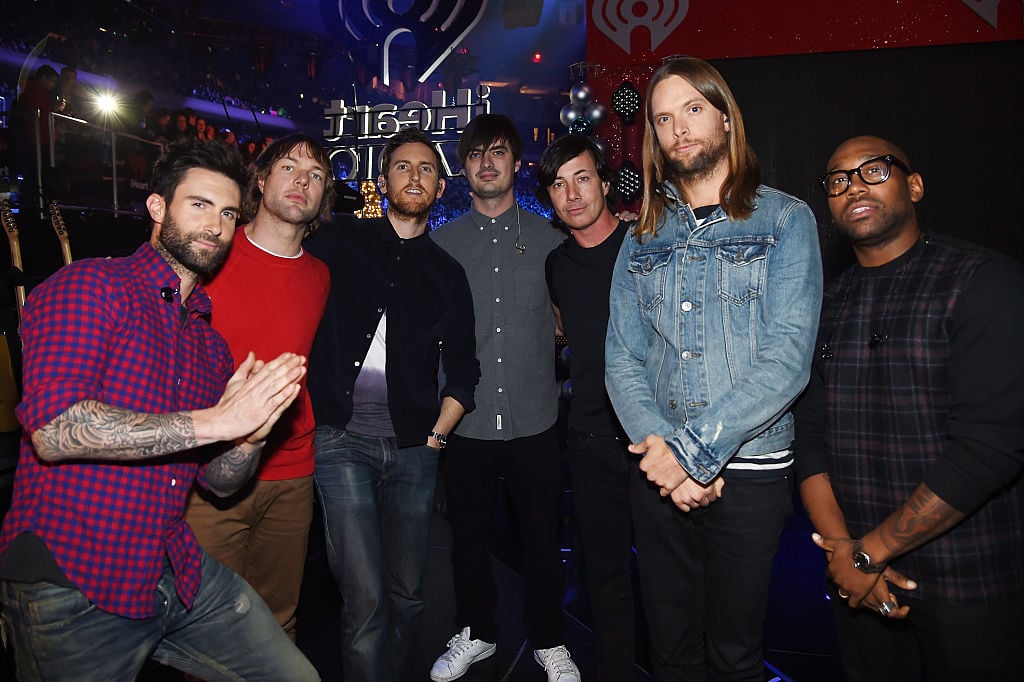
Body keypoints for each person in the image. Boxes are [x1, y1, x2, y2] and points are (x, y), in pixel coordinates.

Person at [0, 139, 319, 681]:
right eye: (198, 205)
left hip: (174, 572)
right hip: (74, 581)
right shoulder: (92, 286)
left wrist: (251, 437)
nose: (215, 226)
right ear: (157, 208)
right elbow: (55, 431)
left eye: (226, 214)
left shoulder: (207, 345)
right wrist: (219, 420)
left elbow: (218, 483)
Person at [604, 56, 822, 681]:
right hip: (658, 471)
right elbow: (622, 356)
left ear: (726, 120)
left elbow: (787, 359)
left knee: (734, 655)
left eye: (693, 110)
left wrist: (692, 455)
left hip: (748, 471)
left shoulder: (785, 220)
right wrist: (666, 461)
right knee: (670, 651)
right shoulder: (640, 237)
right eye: (663, 119)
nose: (679, 130)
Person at [795, 135, 1024, 681]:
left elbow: (987, 451)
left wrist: (865, 555)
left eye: (874, 170)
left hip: (969, 579)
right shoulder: (825, 303)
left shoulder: (983, 281)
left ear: (914, 186)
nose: (853, 185)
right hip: (860, 582)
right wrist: (844, 555)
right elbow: (808, 436)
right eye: (838, 179)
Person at [305, 127, 479, 682]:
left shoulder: (449, 274)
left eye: (426, 169)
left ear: (440, 186)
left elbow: (466, 371)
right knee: (364, 597)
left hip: (415, 449)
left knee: (407, 596)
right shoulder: (338, 242)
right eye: (403, 167)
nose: (414, 177)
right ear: (383, 181)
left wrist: (436, 436)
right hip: (340, 442)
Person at [430, 114, 580, 682]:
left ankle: (549, 638)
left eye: (498, 153)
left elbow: (572, 323)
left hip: (536, 419)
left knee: (543, 540)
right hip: (463, 424)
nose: (487, 163)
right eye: (476, 154)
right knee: (467, 540)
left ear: (518, 165)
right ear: (463, 167)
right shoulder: (441, 247)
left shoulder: (553, 242)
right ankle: (477, 632)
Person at [184, 133, 334, 640]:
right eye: (289, 168)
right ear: (262, 178)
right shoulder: (209, 256)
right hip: (207, 472)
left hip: (291, 471)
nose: (302, 181)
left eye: (315, 176)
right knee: (207, 626)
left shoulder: (320, 276)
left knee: (278, 622)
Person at [540, 135, 636, 681]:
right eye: (558, 184)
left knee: (673, 572)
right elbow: (559, 330)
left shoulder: (644, 245)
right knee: (605, 575)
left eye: (581, 178)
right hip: (592, 436)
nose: (571, 194)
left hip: (656, 438)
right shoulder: (555, 265)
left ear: (603, 181)